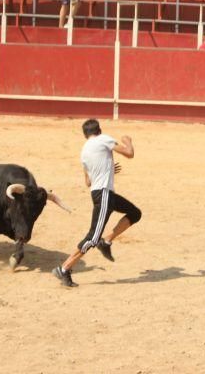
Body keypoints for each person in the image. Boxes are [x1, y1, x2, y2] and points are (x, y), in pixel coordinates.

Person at [53, 119, 141, 288]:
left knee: (135, 213)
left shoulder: (84, 151)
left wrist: (106, 169)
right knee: (93, 237)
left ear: (85, 134)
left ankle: (106, 241)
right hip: (104, 194)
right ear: (99, 130)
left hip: (100, 193)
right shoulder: (103, 139)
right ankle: (64, 268)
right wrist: (128, 141)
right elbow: (129, 153)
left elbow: (87, 181)